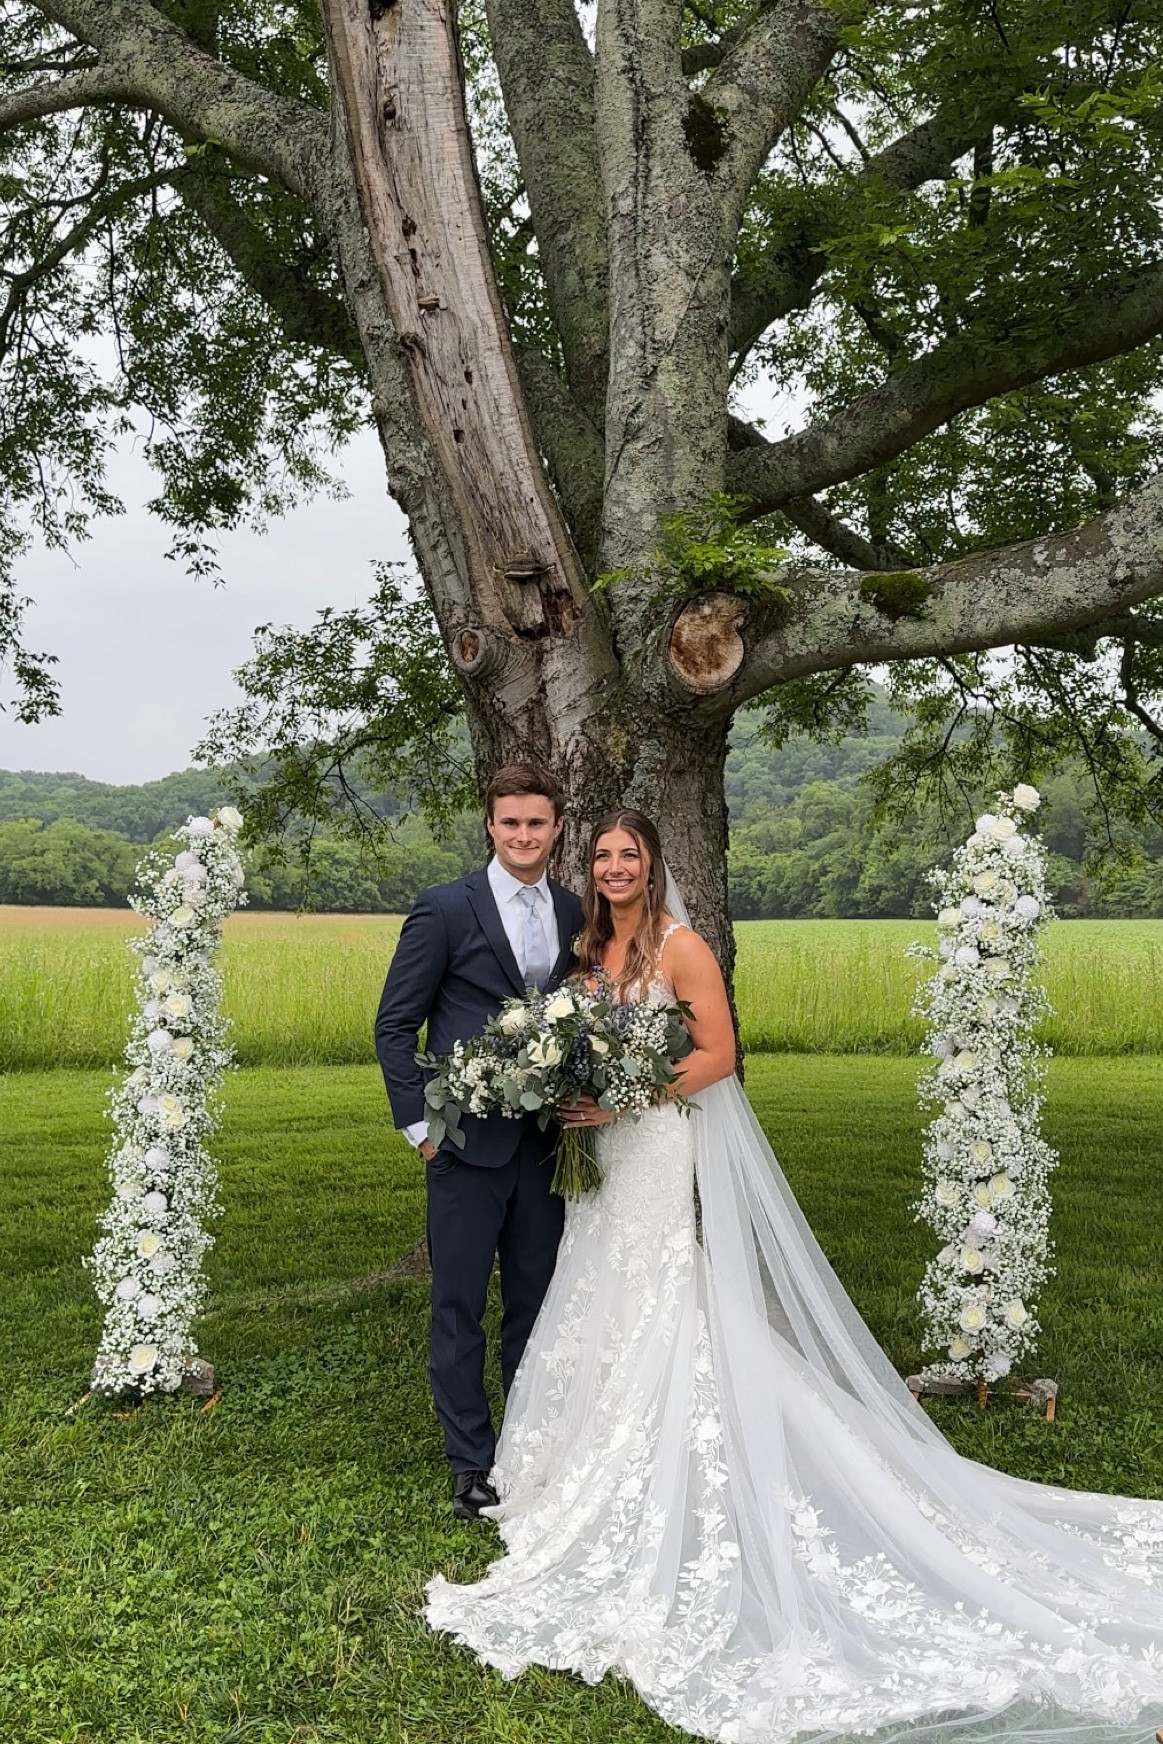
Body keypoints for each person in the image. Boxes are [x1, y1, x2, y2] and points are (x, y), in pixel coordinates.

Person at [426, 809, 1163, 1744]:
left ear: (653, 865)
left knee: (659, 1289)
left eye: (629, 856)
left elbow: (718, 1056)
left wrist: (623, 1100)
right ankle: (581, 1454)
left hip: (649, 1147)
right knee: (593, 1283)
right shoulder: (587, 950)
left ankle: (673, 1456)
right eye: (603, 855)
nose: (613, 868)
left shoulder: (680, 947)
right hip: (596, 1158)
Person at [374, 764, 584, 1521]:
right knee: (459, 1307)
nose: (524, 835)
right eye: (510, 823)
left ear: (555, 827)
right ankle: (470, 1463)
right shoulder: (443, 908)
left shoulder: (574, 910)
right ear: (490, 827)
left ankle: (524, 1450)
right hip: (462, 1146)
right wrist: (421, 1130)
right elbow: (394, 1025)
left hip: (547, 1144)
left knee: (536, 1303)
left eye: (537, 823)